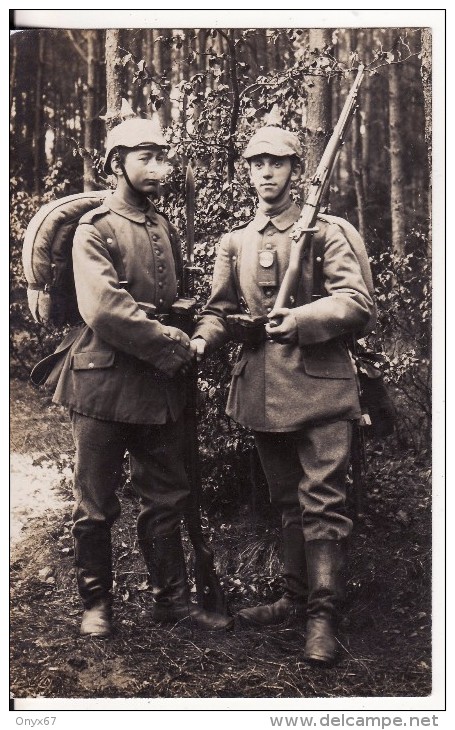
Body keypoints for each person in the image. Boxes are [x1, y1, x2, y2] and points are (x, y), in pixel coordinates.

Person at [41, 117, 233, 637]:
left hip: (158, 386)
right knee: (95, 501)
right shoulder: (95, 227)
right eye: (145, 157)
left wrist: (198, 328)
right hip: (103, 381)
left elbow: (178, 301)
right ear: (116, 163)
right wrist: (173, 345)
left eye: (163, 157)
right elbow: (104, 308)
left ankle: (171, 600)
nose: (158, 168)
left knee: (167, 493)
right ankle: (96, 604)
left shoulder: (164, 226)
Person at [191, 125, 375, 665]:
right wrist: (204, 336)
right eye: (257, 164)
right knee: (286, 501)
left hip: (320, 386)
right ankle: (294, 599)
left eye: (277, 163)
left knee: (324, 501)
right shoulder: (236, 241)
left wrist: (299, 318)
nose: (266, 172)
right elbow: (221, 308)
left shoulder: (326, 232)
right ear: (248, 172)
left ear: (296, 172)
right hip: (264, 392)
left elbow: (356, 303)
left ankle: (323, 614)